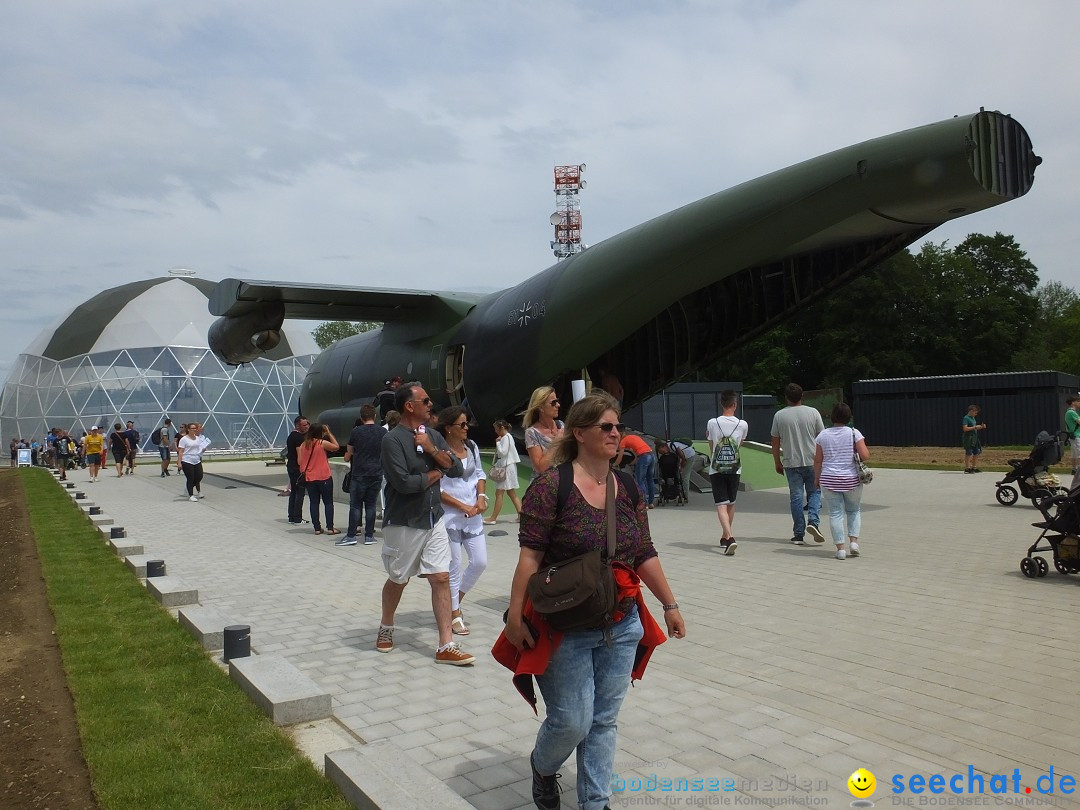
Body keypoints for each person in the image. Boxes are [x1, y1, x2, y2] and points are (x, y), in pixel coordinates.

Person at [498, 393, 686, 810]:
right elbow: (529, 556)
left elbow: (645, 553)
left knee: (603, 722)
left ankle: (595, 803)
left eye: (619, 426)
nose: (616, 433)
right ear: (579, 433)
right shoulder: (551, 486)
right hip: (564, 626)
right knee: (571, 721)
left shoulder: (630, 486)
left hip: (621, 623)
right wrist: (514, 616)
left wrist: (670, 605)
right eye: (606, 427)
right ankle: (543, 767)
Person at [377, 381, 474, 664]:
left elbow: (456, 468)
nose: (432, 405)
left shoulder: (432, 435)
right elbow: (405, 484)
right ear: (410, 406)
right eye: (427, 401)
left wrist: (432, 450)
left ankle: (446, 645)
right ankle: (386, 626)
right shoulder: (392, 440)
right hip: (404, 521)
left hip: (434, 518)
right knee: (399, 578)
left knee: (441, 577)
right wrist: (435, 474)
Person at [435, 406, 488, 636]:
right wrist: (462, 505)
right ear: (448, 428)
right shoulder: (439, 453)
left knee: (479, 562)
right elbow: (436, 488)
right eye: (462, 425)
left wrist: (481, 497)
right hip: (450, 517)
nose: (467, 428)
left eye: (467, 424)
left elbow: (479, 475)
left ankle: (454, 600)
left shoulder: (472, 447)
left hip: (473, 515)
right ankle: (454, 612)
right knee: (454, 566)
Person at [770, 384, 826, 545]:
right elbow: (822, 438)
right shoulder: (813, 412)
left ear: (786, 397)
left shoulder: (779, 416)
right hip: (812, 460)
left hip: (791, 462)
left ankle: (798, 534)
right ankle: (813, 522)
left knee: (796, 497)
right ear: (802, 396)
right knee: (814, 492)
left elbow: (775, 442)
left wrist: (777, 462)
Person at [814, 403, 870, 560]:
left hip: (829, 479)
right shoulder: (854, 433)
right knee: (853, 510)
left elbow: (818, 460)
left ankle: (840, 549)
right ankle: (854, 543)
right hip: (851, 479)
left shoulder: (823, 435)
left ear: (832, 416)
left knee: (835, 513)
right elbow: (865, 455)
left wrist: (816, 478)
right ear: (848, 416)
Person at [706, 390, 749, 555]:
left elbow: (711, 445)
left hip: (716, 468)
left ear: (721, 404)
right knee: (731, 502)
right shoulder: (742, 424)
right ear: (734, 404)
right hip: (735, 468)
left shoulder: (712, 422)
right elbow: (739, 444)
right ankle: (726, 536)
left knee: (720, 504)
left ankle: (729, 537)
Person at [343, 405, 383, 546]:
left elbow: (350, 450)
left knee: (355, 505)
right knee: (371, 505)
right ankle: (369, 536)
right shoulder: (382, 431)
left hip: (359, 472)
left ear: (361, 417)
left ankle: (351, 535)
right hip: (377, 472)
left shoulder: (356, 432)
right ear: (375, 416)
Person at [298, 422, 340, 536]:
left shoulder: (303, 445)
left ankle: (317, 528)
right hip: (324, 477)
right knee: (328, 503)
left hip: (310, 478)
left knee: (314, 502)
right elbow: (336, 446)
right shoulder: (321, 443)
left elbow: (300, 462)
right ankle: (330, 528)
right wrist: (329, 433)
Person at [485, 419, 523, 524]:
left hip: (506, 468)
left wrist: (497, 443)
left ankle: (493, 518)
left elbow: (502, 453)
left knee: (499, 493)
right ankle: (521, 516)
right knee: (511, 493)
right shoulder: (508, 437)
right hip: (509, 467)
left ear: (502, 428)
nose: (496, 431)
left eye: (496, 429)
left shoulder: (505, 438)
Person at [523, 386, 563, 474]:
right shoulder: (531, 433)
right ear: (541, 407)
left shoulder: (561, 425)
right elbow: (540, 468)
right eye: (553, 403)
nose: (558, 405)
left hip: (565, 481)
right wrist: (557, 442)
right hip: (545, 485)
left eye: (557, 401)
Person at [616, 430, 657, 508]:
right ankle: (651, 502)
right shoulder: (634, 437)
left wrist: (615, 464)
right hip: (651, 455)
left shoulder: (623, 441)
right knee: (650, 479)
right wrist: (633, 462)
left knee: (640, 480)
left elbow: (620, 456)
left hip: (643, 457)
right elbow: (634, 452)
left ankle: (644, 503)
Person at [177, 423, 211, 501]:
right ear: (188, 429)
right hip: (187, 460)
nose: (194, 430)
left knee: (199, 476)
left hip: (196, 460)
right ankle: (191, 495)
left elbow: (198, 448)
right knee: (190, 478)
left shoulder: (197, 438)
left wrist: (203, 449)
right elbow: (181, 451)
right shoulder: (184, 439)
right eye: (192, 428)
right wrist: (179, 462)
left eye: (195, 428)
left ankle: (189, 488)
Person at [285, 416, 310, 525]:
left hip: (290, 466)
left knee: (294, 492)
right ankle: (297, 518)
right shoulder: (298, 438)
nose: (306, 427)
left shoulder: (291, 436)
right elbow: (300, 455)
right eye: (304, 425)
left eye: (307, 424)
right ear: (297, 425)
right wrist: (303, 468)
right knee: (300, 492)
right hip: (297, 468)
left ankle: (291, 516)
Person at [668, 438, 700, 504]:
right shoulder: (670, 445)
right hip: (688, 454)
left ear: (663, 446)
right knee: (683, 476)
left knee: (685, 476)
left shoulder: (671, 446)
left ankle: (685, 496)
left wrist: (681, 466)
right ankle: (682, 495)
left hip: (689, 456)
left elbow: (682, 456)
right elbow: (679, 456)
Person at [962, 404, 986, 474]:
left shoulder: (973, 418)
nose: (976, 414)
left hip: (974, 437)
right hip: (968, 438)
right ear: (971, 411)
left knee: (977, 451)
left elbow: (974, 427)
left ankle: (974, 467)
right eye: (975, 412)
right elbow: (965, 428)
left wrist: (981, 427)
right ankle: (967, 468)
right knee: (969, 452)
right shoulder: (966, 418)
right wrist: (975, 427)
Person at [1064, 396, 1079, 476]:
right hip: (1076, 436)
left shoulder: (1069, 412)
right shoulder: (1071, 412)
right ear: (1073, 402)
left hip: (1074, 436)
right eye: (1078, 401)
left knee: (1075, 453)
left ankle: (1075, 469)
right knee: (1078, 453)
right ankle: (1077, 469)